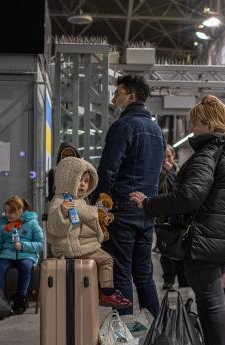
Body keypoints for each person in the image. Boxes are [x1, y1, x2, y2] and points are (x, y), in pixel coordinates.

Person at [131, 95, 225, 345]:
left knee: (211, 304)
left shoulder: (208, 155)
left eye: (196, 123)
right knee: (218, 302)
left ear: (208, 124)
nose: (192, 129)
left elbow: (189, 197)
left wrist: (149, 204)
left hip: (203, 240)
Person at [93, 75, 165, 317]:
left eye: (117, 94)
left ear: (131, 97)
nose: (114, 99)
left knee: (121, 271)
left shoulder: (124, 126)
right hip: (147, 208)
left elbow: (108, 169)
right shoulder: (156, 130)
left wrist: (100, 201)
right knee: (144, 273)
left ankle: (124, 339)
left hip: (122, 209)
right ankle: (155, 331)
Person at [47, 157, 131, 309]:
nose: (83, 184)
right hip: (73, 248)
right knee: (106, 260)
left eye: (86, 181)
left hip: (82, 245)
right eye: (79, 180)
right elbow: (54, 227)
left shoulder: (80, 201)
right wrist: (62, 212)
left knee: (102, 262)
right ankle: (107, 292)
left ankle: (99, 289)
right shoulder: (60, 201)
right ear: (68, 179)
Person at [0, 196, 43, 314]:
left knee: (25, 265)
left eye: (11, 212)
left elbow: (40, 244)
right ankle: (1, 299)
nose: (7, 215)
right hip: (6, 253)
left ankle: (21, 298)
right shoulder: (3, 225)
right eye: (6, 211)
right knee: (0, 266)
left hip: (26, 254)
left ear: (20, 210)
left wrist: (23, 245)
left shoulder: (32, 223)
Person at [157, 145, 187, 290]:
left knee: (181, 246)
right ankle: (168, 279)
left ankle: (183, 279)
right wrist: (164, 174)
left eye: (169, 156)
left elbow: (183, 190)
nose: (166, 159)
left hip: (179, 216)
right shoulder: (157, 173)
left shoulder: (179, 170)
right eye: (163, 157)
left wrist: (172, 173)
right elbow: (158, 191)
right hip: (164, 217)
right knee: (166, 250)